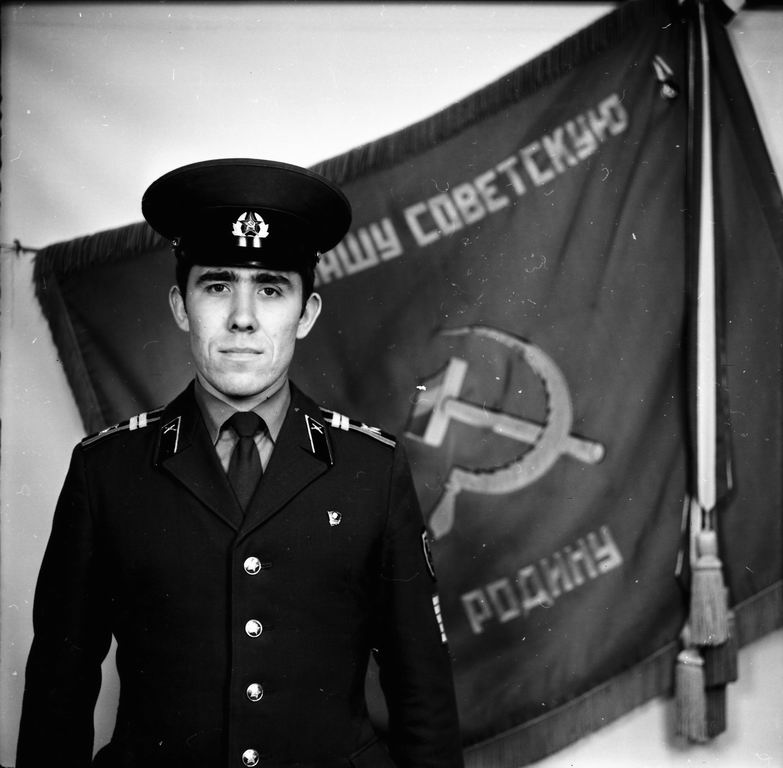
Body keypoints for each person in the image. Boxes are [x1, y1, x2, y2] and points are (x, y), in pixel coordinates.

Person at [16, 159, 464, 768]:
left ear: (307, 313)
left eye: (271, 289)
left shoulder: (372, 471)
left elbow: (424, 698)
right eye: (218, 286)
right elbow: (57, 696)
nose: (243, 317)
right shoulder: (107, 472)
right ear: (181, 305)